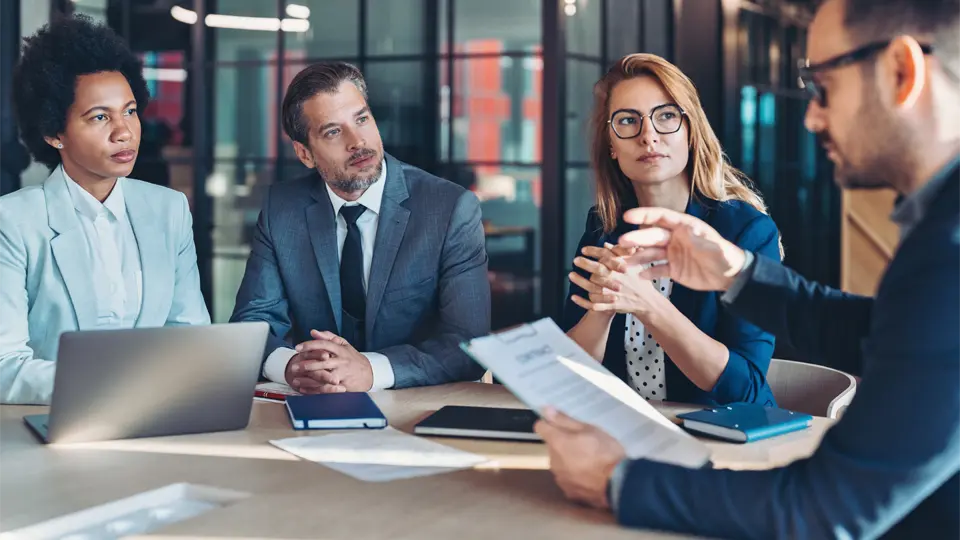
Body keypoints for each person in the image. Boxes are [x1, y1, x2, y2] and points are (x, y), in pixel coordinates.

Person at [534, 0, 960, 537]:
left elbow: (828, 509)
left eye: (823, 85)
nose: (811, 116)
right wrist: (736, 275)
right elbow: (877, 331)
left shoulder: (947, 249)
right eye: (629, 123)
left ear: (901, 72)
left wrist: (615, 479)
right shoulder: (939, 232)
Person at [230, 62, 490, 393]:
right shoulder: (283, 210)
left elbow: (469, 343)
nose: (358, 142)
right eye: (333, 132)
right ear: (305, 154)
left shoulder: (449, 209)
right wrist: (291, 366)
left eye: (362, 119)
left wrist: (371, 370)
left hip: (420, 405)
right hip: (319, 401)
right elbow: (251, 324)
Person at [0, 15, 210, 405]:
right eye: (100, 117)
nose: (124, 131)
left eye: (129, 111)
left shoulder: (169, 209)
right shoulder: (12, 222)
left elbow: (188, 334)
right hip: (49, 426)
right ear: (53, 132)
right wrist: (114, 383)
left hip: (158, 420)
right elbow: (4, 365)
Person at [564, 53, 782, 406]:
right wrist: (602, 307)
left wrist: (647, 304)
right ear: (611, 145)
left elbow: (745, 390)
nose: (648, 136)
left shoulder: (747, 232)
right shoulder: (601, 230)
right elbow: (568, 379)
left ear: (690, 132)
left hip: (725, 439)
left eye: (666, 116)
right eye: (628, 121)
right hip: (627, 435)